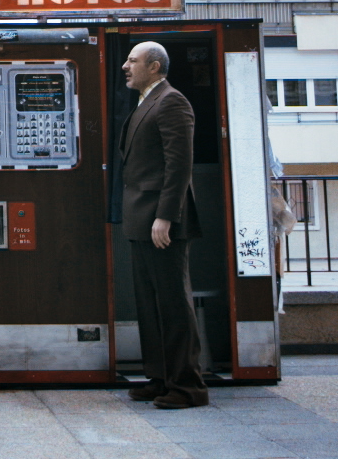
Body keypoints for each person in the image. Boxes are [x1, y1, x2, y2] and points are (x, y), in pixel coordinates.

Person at [113, 40, 207, 409]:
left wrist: (165, 217)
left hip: (160, 221)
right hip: (142, 218)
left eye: (133, 61)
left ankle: (188, 387)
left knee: (171, 303)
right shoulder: (146, 102)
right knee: (149, 304)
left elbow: (179, 166)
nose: (125, 66)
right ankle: (160, 377)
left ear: (154, 66)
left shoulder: (172, 101)